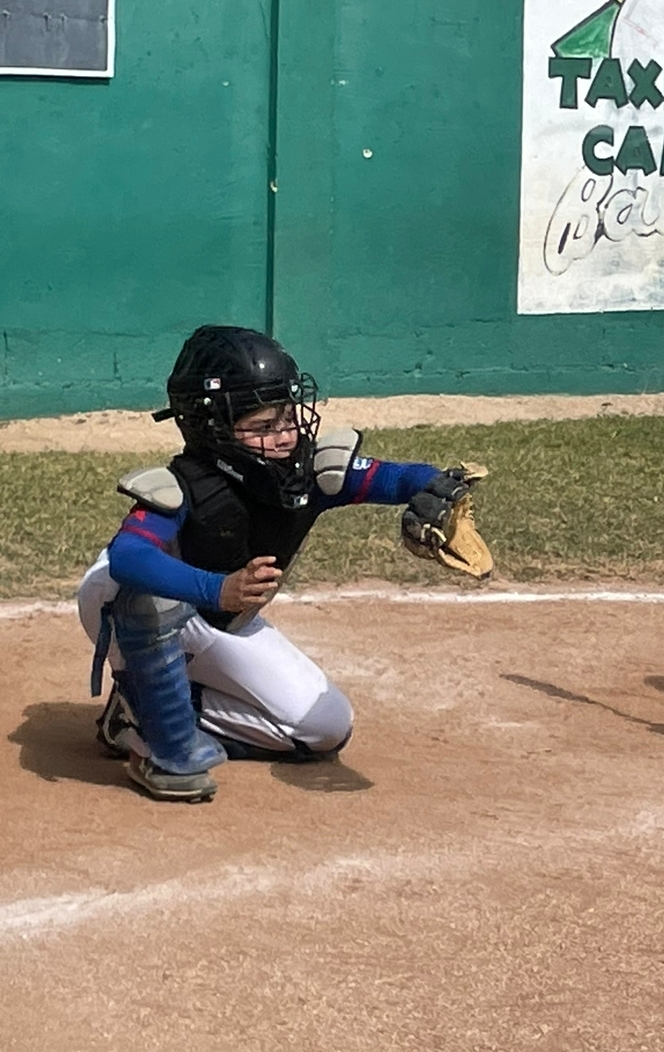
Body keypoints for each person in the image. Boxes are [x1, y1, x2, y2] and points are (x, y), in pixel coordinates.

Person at [76, 325, 484, 803]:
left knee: (324, 728)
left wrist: (433, 487)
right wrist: (216, 589)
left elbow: (390, 478)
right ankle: (162, 752)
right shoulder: (185, 484)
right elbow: (129, 557)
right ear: (212, 428)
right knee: (153, 601)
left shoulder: (304, 472)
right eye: (263, 425)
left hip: (217, 615)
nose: (286, 434)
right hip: (132, 600)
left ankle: (136, 709)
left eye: (287, 417)